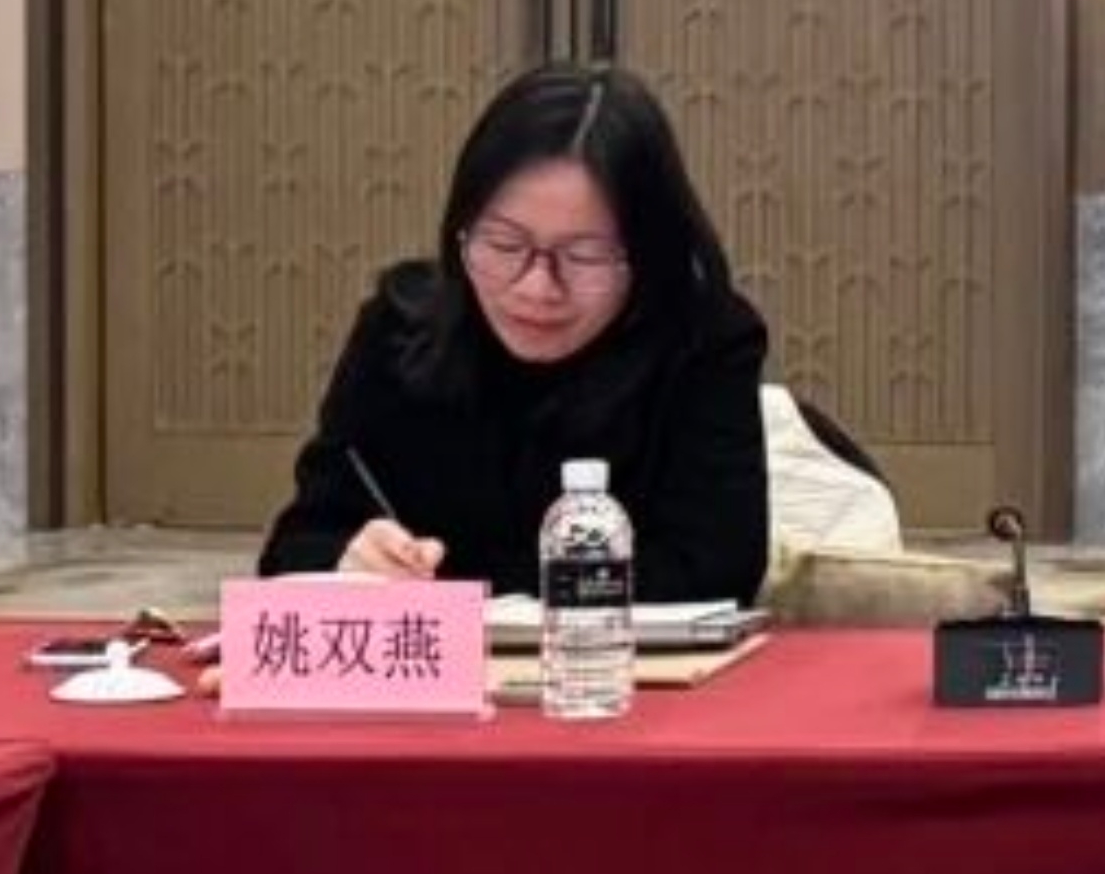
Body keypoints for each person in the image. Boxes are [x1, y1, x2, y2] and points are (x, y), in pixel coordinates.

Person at [258, 64, 769, 604]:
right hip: (430, 655)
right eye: (504, 245)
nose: (537, 288)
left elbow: (716, 569)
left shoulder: (702, 340)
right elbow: (294, 548)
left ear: (648, 253)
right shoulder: (401, 331)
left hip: (607, 656)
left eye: (584, 256)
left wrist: (463, 587)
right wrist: (347, 560)